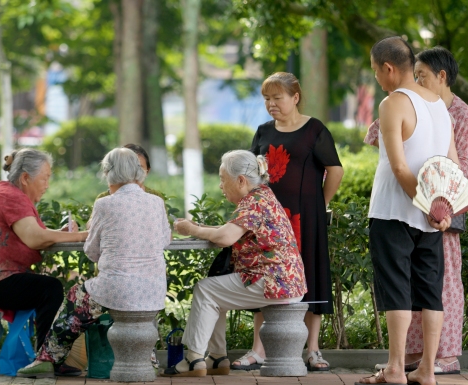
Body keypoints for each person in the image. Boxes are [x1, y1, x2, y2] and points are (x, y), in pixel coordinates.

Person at [365, 46, 468, 375]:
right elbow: (454, 167)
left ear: (388, 68)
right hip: (431, 222)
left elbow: (399, 168)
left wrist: (427, 205)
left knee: (397, 290)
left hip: (392, 211)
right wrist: (440, 211)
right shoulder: (440, 107)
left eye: (374, 70)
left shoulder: (392, 103)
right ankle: (427, 370)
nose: (375, 77)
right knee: (431, 291)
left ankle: (396, 369)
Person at [16, 147, 171, 378]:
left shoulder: (104, 204)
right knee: (139, 313)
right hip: (154, 290)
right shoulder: (156, 202)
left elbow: (91, 250)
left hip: (114, 288)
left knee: (76, 299)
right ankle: (148, 361)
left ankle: (47, 358)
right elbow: (164, 241)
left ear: (109, 172)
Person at [162, 150, 307, 377]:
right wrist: (199, 227)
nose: (220, 186)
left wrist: (191, 230)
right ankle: (217, 358)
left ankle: (193, 359)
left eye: (223, 180)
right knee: (214, 292)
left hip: (273, 283)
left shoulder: (254, 201)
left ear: (240, 180)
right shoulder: (262, 196)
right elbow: (229, 231)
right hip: (285, 281)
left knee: (205, 289)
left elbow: (225, 238)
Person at [238, 72, 343, 371]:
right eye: (267, 99)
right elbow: (250, 172)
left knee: (310, 274)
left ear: (295, 97)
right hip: (269, 221)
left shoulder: (314, 130)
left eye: (277, 98)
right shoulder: (262, 131)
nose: (271, 104)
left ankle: (312, 350)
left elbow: (334, 170)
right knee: (266, 276)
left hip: (305, 217)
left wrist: (319, 204)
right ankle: (258, 350)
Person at [0, 148, 88, 376]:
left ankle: (46, 358)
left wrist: (63, 233)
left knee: (47, 287)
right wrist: (83, 235)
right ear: (25, 178)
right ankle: (45, 360)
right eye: (45, 178)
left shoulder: (10, 194)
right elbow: (35, 238)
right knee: (49, 288)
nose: (47, 184)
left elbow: (35, 234)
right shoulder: (11, 197)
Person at [95, 143, 165, 200]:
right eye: (127, 167)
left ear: (147, 171)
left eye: (139, 167)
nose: (133, 172)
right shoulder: (103, 199)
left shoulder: (156, 197)